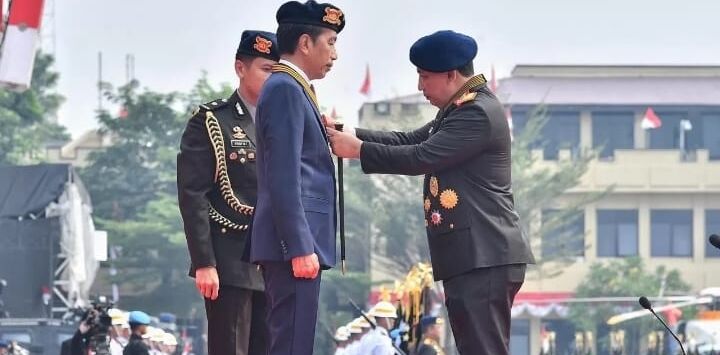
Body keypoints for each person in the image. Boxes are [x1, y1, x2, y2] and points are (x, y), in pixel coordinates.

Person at [326, 30, 535, 355]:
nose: (420, 86)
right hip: (471, 255)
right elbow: (411, 140)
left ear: (451, 74)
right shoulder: (458, 110)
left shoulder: (476, 113)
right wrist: (350, 134)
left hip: (485, 253)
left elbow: (421, 157)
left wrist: (359, 151)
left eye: (425, 77)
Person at [248, 1, 345, 354]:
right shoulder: (286, 89)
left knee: (295, 341)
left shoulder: (293, 89)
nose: (334, 53)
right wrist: (300, 246)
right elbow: (283, 176)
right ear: (305, 43)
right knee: (290, 343)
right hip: (294, 246)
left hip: (296, 243)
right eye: (330, 42)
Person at [177, 30, 280, 355]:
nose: (273, 78)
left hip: (275, 258)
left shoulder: (284, 123)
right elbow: (192, 195)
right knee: (230, 348)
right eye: (266, 69)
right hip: (229, 261)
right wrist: (204, 262)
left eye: (278, 72)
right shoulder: (211, 122)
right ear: (240, 68)